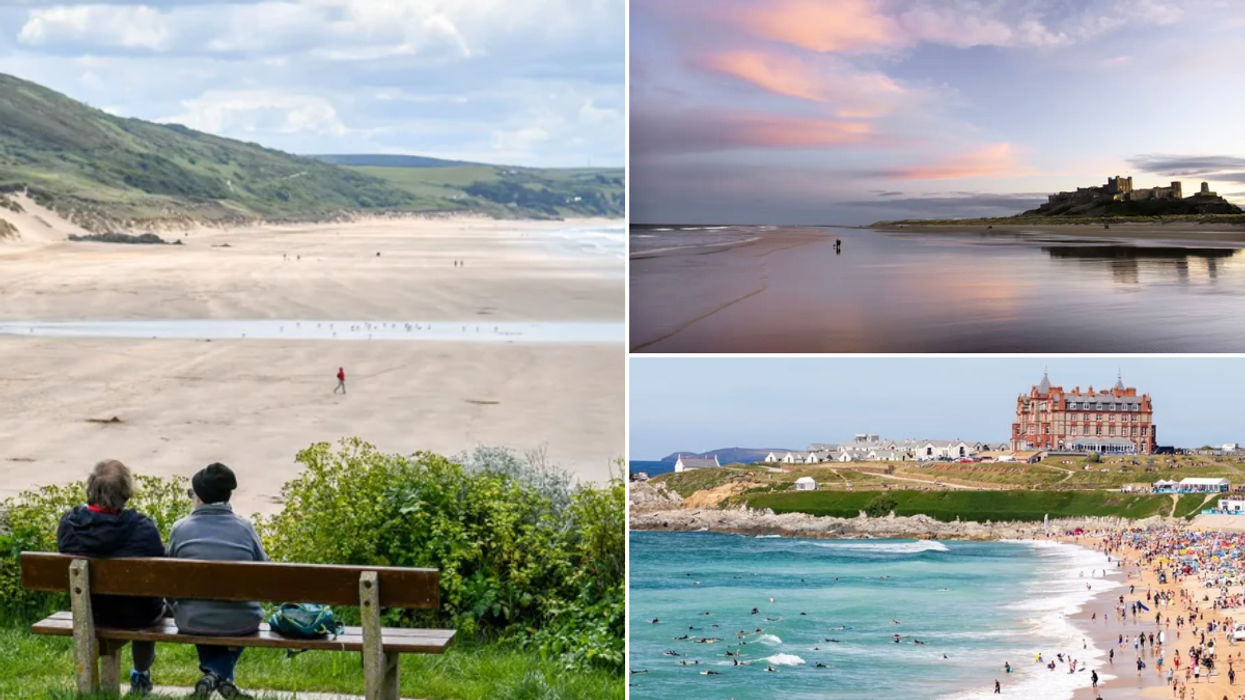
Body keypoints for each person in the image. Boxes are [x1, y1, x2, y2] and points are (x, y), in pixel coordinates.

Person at [57, 460, 166, 695]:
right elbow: (160, 573)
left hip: (90, 611)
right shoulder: (143, 528)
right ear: (126, 492)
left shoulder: (69, 525)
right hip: (138, 615)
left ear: (91, 488)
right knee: (153, 603)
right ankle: (141, 673)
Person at [168, 463, 268, 699]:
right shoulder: (245, 528)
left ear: (199, 498)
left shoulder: (180, 528)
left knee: (201, 608)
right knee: (229, 612)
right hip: (242, 620)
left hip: (192, 619)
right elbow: (264, 570)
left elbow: (169, 577)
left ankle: (213, 673)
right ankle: (221, 676)